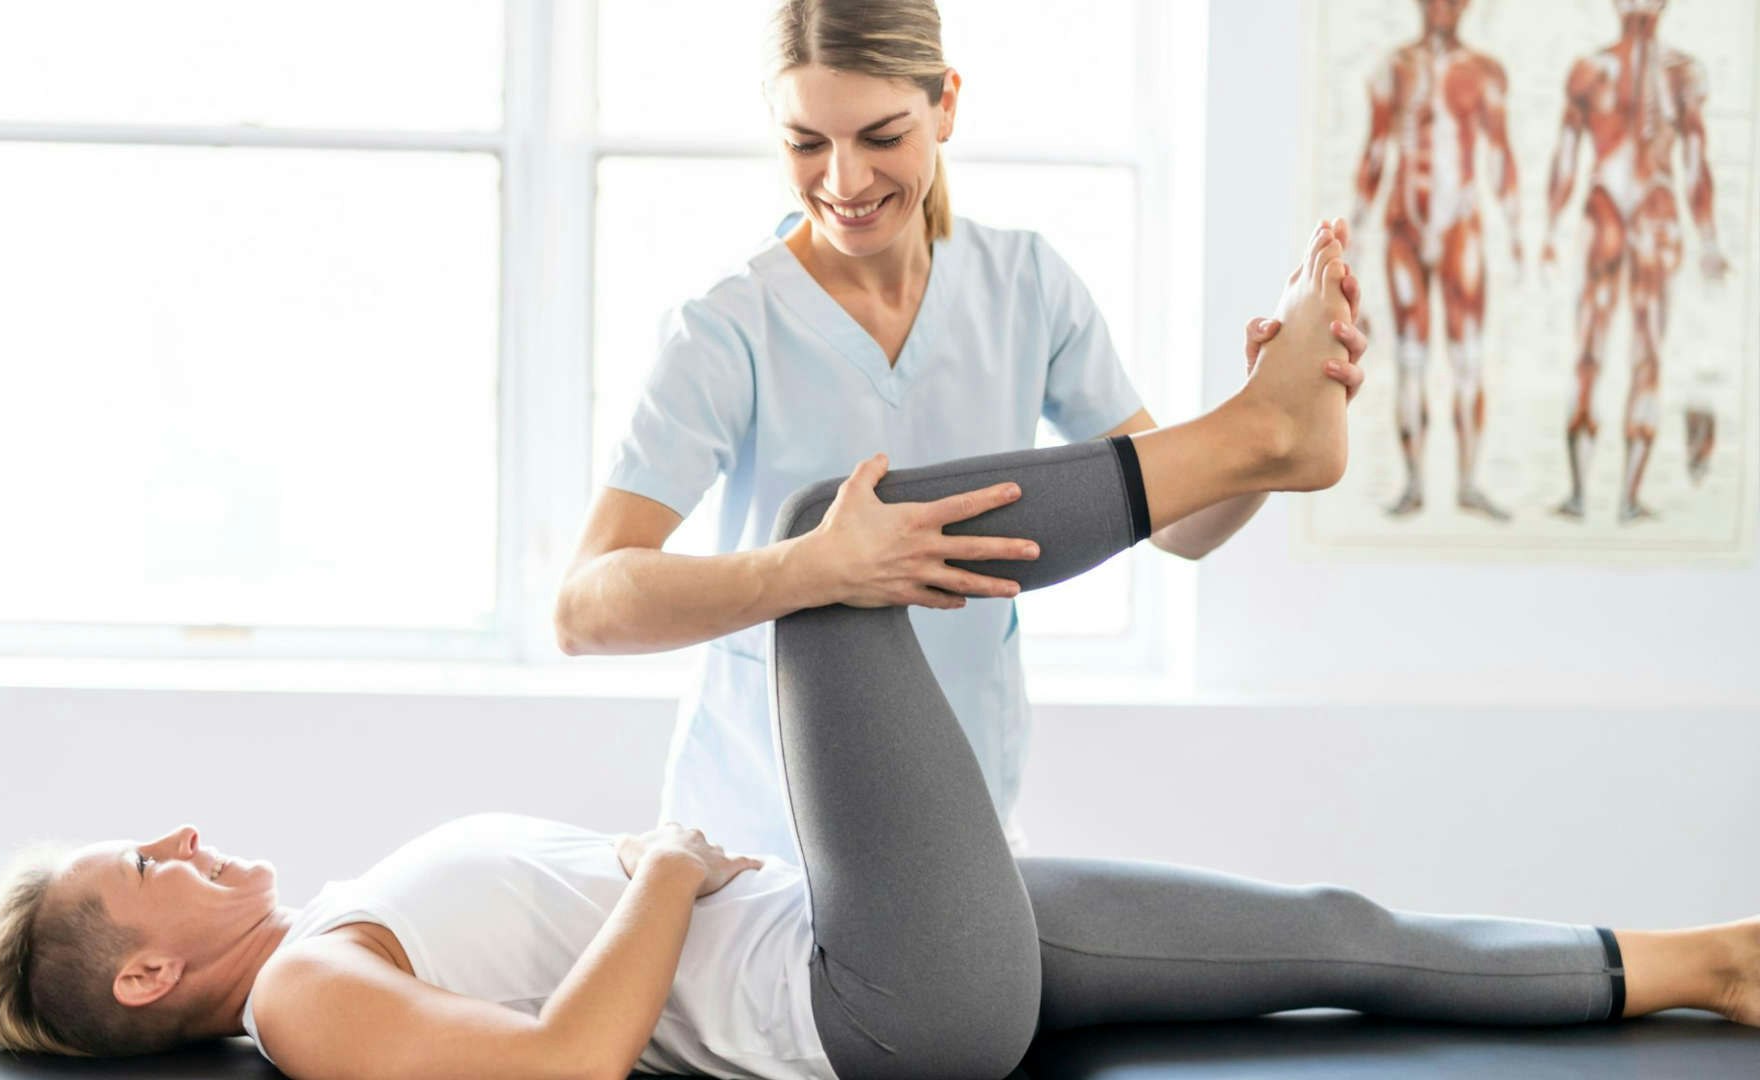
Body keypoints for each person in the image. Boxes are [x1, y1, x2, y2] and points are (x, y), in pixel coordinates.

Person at [0, 227, 1760, 1079]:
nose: (182, 840)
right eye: (149, 866)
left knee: (1327, 930)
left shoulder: (331, 919)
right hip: (865, 997)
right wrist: (661, 874)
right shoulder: (298, 995)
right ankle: (1250, 438)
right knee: (830, 525)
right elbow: (561, 1078)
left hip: (877, 941)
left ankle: (1705, 961)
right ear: (138, 979)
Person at [554, 0, 1370, 866]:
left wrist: (1256, 465)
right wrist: (811, 569)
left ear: (945, 104)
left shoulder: (1026, 285)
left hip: (964, 832)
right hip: (759, 844)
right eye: (806, 144)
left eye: (880, 136)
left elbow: (1179, 529)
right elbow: (583, 607)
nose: (844, 180)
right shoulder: (728, 327)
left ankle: (1260, 432)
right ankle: (1258, 430)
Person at [1543, 0, 1729, 522]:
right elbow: (1565, 154)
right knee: (1592, 347)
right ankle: (1586, 493)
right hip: (1607, 211)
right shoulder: (1591, 70)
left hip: (1654, 212)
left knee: (1644, 352)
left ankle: (1625, 495)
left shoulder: (1681, 73)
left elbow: (1695, 159)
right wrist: (1552, 230)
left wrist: (1710, 237)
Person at [1351, 0, 1521, 520]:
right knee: (1410, 359)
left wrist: (1515, 232)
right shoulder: (1394, 68)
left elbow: (1499, 153)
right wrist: (1353, 239)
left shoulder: (1485, 72)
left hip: (1460, 228)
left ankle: (1468, 481)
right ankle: (1415, 483)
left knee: (1467, 358)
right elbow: (1376, 153)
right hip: (1404, 224)